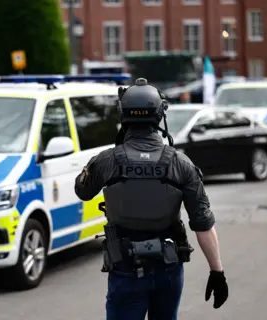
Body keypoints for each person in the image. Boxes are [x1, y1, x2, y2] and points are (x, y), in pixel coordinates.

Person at [74, 78, 228, 320]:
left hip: (125, 268)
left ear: (123, 116)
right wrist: (217, 271)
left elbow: (82, 191)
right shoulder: (180, 163)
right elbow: (202, 223)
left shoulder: (107, 161)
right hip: (168, 268)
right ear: (159, 116)